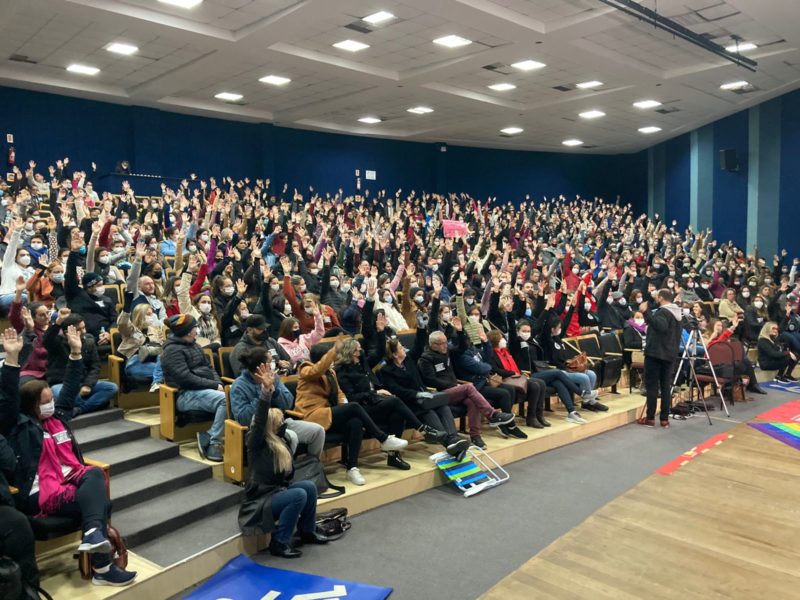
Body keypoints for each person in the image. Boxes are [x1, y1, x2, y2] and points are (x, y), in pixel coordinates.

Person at [0, 326, 137, 586]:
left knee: (94, 473)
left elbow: (72, 386)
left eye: (52, 398)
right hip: (38, 492)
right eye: (45, 401)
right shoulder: (17, 426)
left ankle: (95, 538)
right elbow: (7, 399)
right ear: (31, 405)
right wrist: (11, 360)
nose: (51, 403)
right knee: (97, 503)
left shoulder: (58, 417)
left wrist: (76, 352)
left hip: (67, 481)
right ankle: (103, 569)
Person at [293, 337, 408, 486]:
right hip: (312, 416)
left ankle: (352, 467)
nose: (334, 359)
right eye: (330, 356)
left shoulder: (331, 373)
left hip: (328, 413)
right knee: (354, 407)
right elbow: (317, 370)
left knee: (355, 421)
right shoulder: (305, 369)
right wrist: (334, 350)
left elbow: (340, 394)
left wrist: (344, 406)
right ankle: (383, 439)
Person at [334, 337, 447, 470]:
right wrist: (374, 393)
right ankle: (423, 429)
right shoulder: (342, 372)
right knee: (394, 401)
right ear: (353, 352)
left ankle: (393, 457)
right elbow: (351, 397)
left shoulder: (362, 362)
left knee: (397, 415)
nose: (362, 350)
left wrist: (381, 332)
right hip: (362, 408)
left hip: (375, 402)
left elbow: (378, 351)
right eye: (359, 348)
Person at [238, 400, 331, 558]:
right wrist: (265, 394)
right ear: (270, 426)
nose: (283, 424)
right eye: (279, 422)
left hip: (275, 492)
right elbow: (259, 420)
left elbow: (287, 476)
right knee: (298, 495)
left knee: (309, 487)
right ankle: (279, 542)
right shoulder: (256, 444)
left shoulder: (281, 442)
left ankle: (307, 531)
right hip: (259, 502)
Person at [418, 329, 515, 449]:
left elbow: (462, 348)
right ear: (433, 345)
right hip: (439, 393)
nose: (445, 345)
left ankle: (475, 436)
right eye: (442, 343)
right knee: (469, 387)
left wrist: (459, 331)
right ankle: (493, 415)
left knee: (472, 401)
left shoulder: (446, 352)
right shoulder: (426, 359)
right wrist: (453, 386)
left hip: (454, 391)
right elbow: (430, 380)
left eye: (446, 342)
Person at [230, 346, 325, 457]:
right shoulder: (238, 386)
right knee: (292, 437)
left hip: (281, 423)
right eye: (270, 362)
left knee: (318, 431)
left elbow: (288, 403)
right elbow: (243, 418)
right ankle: (287, 472)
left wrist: (275, 392)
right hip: (259, 432)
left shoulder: (273, 378)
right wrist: (264, 392)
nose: (274, 365)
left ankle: (311, 468)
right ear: (261, 367)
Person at [161, 314, 227, 462]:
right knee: (225, 400)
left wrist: (219, 385)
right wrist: (213, 385)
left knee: (231, 395)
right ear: (188, 331)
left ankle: (211, 435)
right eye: (194, 327)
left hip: (202, 391)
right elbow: (185, 378)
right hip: (186, 395)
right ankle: (213, 440)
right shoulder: (172, 351)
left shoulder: (195, 345)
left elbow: (210, 368)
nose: (197, 330)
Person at [44, 312, 118, 416]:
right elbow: (46, 339)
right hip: (62, 384)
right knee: (60, 393)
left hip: (83, 382)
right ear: (67, 332)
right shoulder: (57, 342)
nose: (84, 331)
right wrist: (58, 323)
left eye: (84, 328)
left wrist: (88, 384)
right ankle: (93, 404)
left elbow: (95, 366)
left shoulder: (89, 340)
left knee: (112, 388)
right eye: (79, 330)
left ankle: (79, 409)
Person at [637, 290, 683, 428]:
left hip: (656, 354)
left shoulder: (663, 312)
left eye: (657, 297)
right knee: (665, 387)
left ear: (661, 298)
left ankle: (650, 418)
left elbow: (660, 326)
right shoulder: (677, 313)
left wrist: (646, 312)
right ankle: (664, 419)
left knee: (652, 386)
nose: (656, 299)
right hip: (669, 354)